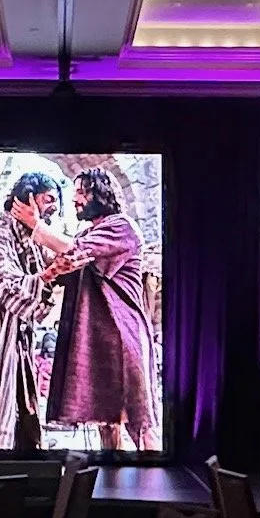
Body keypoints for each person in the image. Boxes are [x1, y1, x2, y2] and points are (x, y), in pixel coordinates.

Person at [32, 167, 158, 453]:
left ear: (101, 194)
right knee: (106, 422)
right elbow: (64, 265)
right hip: (101, 340)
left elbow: (77, 251)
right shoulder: (92, 231)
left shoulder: (121, 226)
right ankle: (113, 491)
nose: (75, 199)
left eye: (82, 192)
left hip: (123, 338)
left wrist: (38, 228)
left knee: (139, 425)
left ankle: (154, 488)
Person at [0, 171, 59, 454]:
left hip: (18, 352)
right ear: (27, 199)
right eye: (48, 199)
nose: (53, 206)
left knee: (23, 427)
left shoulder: (29, 244)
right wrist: (46, 277)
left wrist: (50, 273)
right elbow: (7, 288)